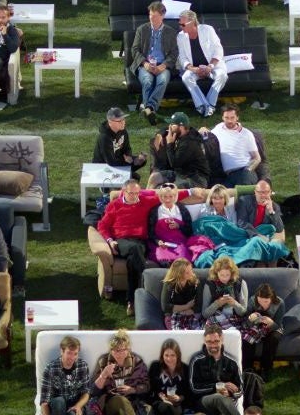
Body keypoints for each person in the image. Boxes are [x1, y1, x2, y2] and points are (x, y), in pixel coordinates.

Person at [98, 181, 180, 316]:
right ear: (123, 191)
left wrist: (191, 192)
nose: (135, 196)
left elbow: (169, 195)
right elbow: (102, 225)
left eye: (137, 193)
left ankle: (131, 300)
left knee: (132, 261)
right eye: (131, 193)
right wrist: (110, 241)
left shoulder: (145, 201)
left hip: (140, 242)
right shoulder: (115, 205)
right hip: (121, 241)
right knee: (135, 249)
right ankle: (147, 292)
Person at [177, 11, 226, 118]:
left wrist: (210, 66)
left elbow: (218, 50)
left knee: (222, 76)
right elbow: (182, 57)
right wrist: (193, 69)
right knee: (186, 77)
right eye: (179, 24)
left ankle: (209, 104)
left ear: (193, 22)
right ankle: (202, 105)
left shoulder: (208, 30)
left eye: (183, 24)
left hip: (213, 66)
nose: (181, 27)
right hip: (195, 68)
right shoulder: (180, 37)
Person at [90, 329, 149, 415]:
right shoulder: (104, 361)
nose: (120, 354)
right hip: (112, 401)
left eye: (123, 350)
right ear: (111, 350)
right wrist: (103, 375)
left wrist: (133, 390)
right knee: (120, 400)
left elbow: (147, 386)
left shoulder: (137, 362)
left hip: (133, 401)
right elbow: (93, 391)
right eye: (116, 350)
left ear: (128, 349)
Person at [187, 324, 241, 415]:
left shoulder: (232, 362)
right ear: (204, 341)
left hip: (227, 402)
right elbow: (194, 388)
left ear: (222, 340)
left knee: (222, 399)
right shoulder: (197, 361)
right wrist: (215, 387)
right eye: (209, 342)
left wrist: (231, 393)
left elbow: (240, 389)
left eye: (216, 341)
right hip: (204, 402)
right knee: (218, 398)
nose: (213, 345)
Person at [210, 105, 260, 187]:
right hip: (229, 176)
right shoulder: (218, 128)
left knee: (244, 199)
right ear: (222, 118)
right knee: (222, 197)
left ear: (237, 118)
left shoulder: (246, 134)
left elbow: (257, 158)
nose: (229, 121)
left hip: (244, 172)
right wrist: (203, 129)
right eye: (226, 117)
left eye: (232, 117)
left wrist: (248, 170)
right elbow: (208, 135)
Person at [41, 335, 91, 415]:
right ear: (62, 351)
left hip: (75, 403)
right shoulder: (50, 368)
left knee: (72, 413)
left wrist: (78, 406)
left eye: (75, 354)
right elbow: (44, 400)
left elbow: (86, 392)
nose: (72, 357)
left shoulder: (83, 366)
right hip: (58, 406)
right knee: (59, 401)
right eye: (69, 353)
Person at [94, 107, 147, 173]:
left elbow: (127, 148)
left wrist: (129, 156)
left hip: (117, 159)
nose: (123, 122)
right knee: (135, 176)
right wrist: (130, 163)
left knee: (142, 161)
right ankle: (128, 176)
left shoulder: (123, 131)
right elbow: (111, 162)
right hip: (104, 166)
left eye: (124, 119)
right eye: (120, 121)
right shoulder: (104, 138)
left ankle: (128, 175)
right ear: (110, 122)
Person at [149, 337, 190, 415]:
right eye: (166, 355)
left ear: (178, 355)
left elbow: (188, 392)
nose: (169, 358)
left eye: (172, 355)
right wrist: (161, 396)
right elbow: (151, 389)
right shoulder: (156, 367)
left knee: (175, 410)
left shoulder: (185, 369)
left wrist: (179, 398)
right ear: (162, 355)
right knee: (166, 407)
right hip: (160, 402)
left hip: (177, 404)